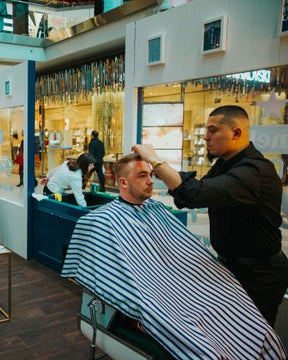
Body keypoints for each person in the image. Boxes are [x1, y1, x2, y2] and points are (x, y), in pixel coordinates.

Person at [62, 154, 286, 359]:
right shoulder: (101, 221)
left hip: (182, 287)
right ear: (123, 183)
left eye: (151, 174)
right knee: (198, 340)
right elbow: (109, 277)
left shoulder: (157, 209)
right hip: (154, 296)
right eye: (142, 175)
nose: (151, 181)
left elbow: (182, 252)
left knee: (244, 316)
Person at [132, 105, 288, 327]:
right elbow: (192, 190)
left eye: (213, 130)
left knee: (253, 338)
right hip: (232, 267)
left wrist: (157, 161)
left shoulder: (254, 171)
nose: (206, 137)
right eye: (206, 130)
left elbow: (197, 193)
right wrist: (157, 169)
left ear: (236, 133)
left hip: (260, 275)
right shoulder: (225, 165)